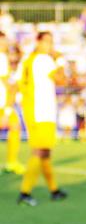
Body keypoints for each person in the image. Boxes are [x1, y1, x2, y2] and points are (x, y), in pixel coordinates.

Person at [16, 31, 68, 206]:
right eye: (47, 42)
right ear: (38, 42)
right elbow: (61, 80)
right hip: (42, 111)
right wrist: (60, 60)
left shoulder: (28, 60)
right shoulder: (43, 60)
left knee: (45, 152)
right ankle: (25, 192)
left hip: (33, 110)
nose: (50, 46)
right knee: (39, 151)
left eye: (51, 42)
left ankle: (54, 190)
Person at [0, 32, 25, 174]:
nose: (4, 44)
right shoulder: (2, 58)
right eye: (2, 41)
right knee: (15, 127)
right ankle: (11, 162)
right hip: (2, 104)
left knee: (15, 127)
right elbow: (8, 85)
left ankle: (11, 162)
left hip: (4, 103)